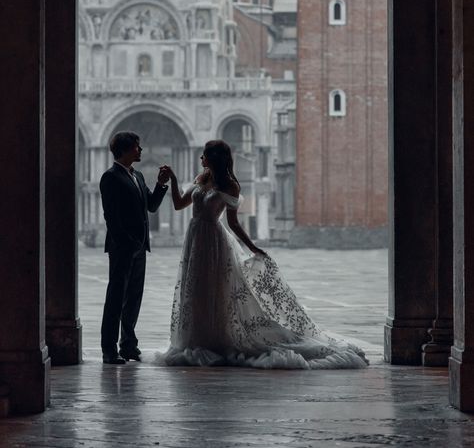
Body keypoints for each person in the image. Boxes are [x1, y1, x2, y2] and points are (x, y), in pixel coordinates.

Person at [158, 139, 368, 369]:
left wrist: (252, 247)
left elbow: (233, 223)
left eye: (205, 155)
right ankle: (197, 338)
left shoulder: (230, 186)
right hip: (194, 238)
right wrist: (174, 179)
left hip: (213, 242)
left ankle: (216, 338)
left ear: (215, 158)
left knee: (215, 289)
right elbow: (179, 204)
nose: (201, 159)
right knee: (195, 289)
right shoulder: (201, 179)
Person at [100, 131, 170, 364]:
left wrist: (160, 185)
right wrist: (126, 243)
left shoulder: (138, 176)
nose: (140, 150)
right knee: (115, 298)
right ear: (125, 149)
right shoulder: (110, 177)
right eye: (137, 147)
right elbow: (111, 216)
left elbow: (150, 206)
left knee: (134, 298)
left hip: (140, 248)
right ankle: (109, 349)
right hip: (123, 247)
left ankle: (128, 345)